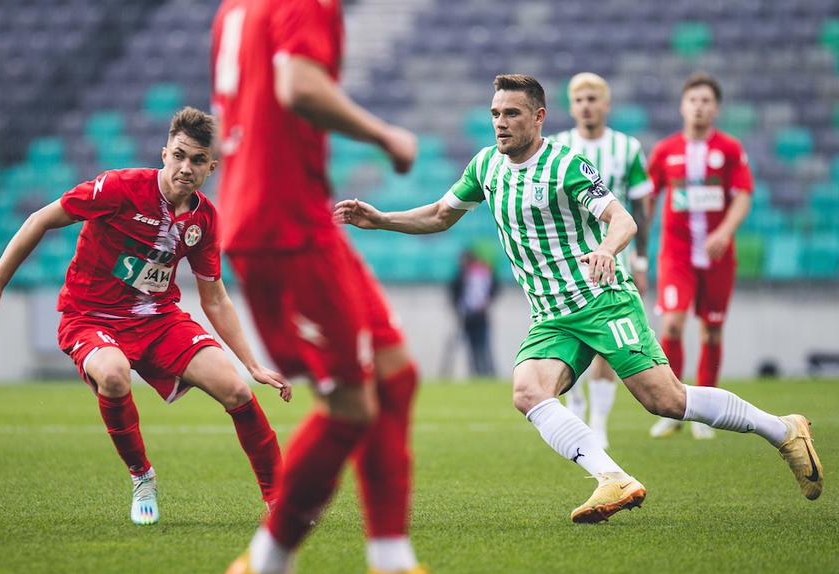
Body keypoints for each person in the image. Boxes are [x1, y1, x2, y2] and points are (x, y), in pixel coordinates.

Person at [336, 74, 823, 525]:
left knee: (666, 401)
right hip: (552, 316)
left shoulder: (567, 165)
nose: (501, 123)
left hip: (602, 301)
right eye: (495, 114)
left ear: (539, 117)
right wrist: (381, 219)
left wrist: (607, 251)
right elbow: (441, 215)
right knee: (528, 392)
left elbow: (624, 219)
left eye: (512, 114)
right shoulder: (485, 166)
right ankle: (612, 478)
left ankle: (782, 430)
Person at [211, 0, 483, 574]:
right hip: (283, 229)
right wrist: (385, 135)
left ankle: (393, 569)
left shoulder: (237, 8)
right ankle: (265, 568)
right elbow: (298, 87)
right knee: (350, 408)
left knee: (397, 375)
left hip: (299, 216)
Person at [0, 107, 289, 526]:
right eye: (178, 155)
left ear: (212, 166)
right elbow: (40, 219)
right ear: (164, 154)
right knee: (115, 374)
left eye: (197, 160)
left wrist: (251, 364)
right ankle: (142, 477)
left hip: (157, 319)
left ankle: (282, 503)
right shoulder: (119, 188)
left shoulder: (204, 220)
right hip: (90, 317)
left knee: (236, 391)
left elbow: (214, 298)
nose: (185, 168)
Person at [646, 73, 752, 440]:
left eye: (706, 101)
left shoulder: (730, 149)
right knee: (672, 324)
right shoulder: (664, 150)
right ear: (683, 106)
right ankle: (673, 408)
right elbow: (647, 196)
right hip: (676, 254)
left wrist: (724, 232)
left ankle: (708, 416)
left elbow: (742, 195)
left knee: (712, 331)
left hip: (718, 255)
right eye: (693, 100)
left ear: (716, 108)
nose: (699, 107)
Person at [553, 72, 653, 449]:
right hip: (569, 256)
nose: (586, 106)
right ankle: (576, 403)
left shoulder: (626, 148)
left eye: (593, 99)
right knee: (572, 333)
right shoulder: (559, 146)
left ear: (606, 104)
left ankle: (599, 421)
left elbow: (640, 210)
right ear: (571, 106)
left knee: (608, 340)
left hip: (615, 254)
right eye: (579, 100)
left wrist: (641, 262)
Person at [449, 249, 498, 376]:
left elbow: (494, 287)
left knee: (482, 345)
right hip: (467, 315)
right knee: (473, 347)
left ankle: (487, 372)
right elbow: (454, 292)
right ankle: (477, 373)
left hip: (480, 315)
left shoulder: (481, 273)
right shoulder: (462, 275)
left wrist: (488, 301)